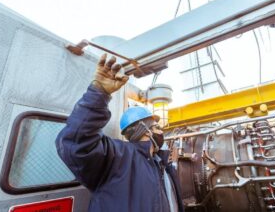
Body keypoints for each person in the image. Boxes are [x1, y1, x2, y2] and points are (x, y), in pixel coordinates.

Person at [55, 53, 184, 212]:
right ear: (144, 128)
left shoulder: (160, 163)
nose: (161, 130)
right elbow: (78, 143)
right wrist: (98, 93)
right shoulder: (119, 157)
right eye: (156, 126)